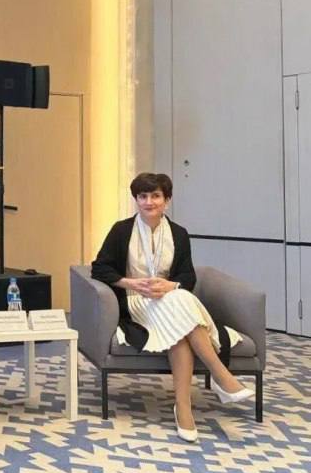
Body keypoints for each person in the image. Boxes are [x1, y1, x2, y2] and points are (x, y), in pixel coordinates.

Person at [91, 172, 253, 442]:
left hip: (170, 301)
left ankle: (184, 408)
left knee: (178, 307)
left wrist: (170, 286)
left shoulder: (179, 233)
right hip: (137, 302)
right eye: (142, 196)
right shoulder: (121, 230)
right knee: (181, 306)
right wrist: (131, 282)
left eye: (155, 196)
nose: (149, 202)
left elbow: (187, 276)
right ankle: (221, 376)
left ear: (167, 200)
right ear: (136, 200)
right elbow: (100, 268)